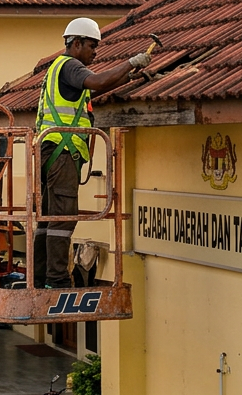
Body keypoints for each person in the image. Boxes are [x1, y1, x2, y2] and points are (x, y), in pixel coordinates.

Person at [33, 18, 152, 288]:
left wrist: (126, 77)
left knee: (49, 218)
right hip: (62, 152)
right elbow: (96, 82)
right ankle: (57, 278)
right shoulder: (72, 66)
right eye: (91, 46)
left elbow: (96, 86)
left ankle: (41, 277)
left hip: (49, 149)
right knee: (63, 218)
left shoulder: (56, 68)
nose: (94, 52)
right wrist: (130, 63)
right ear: (76, 43)